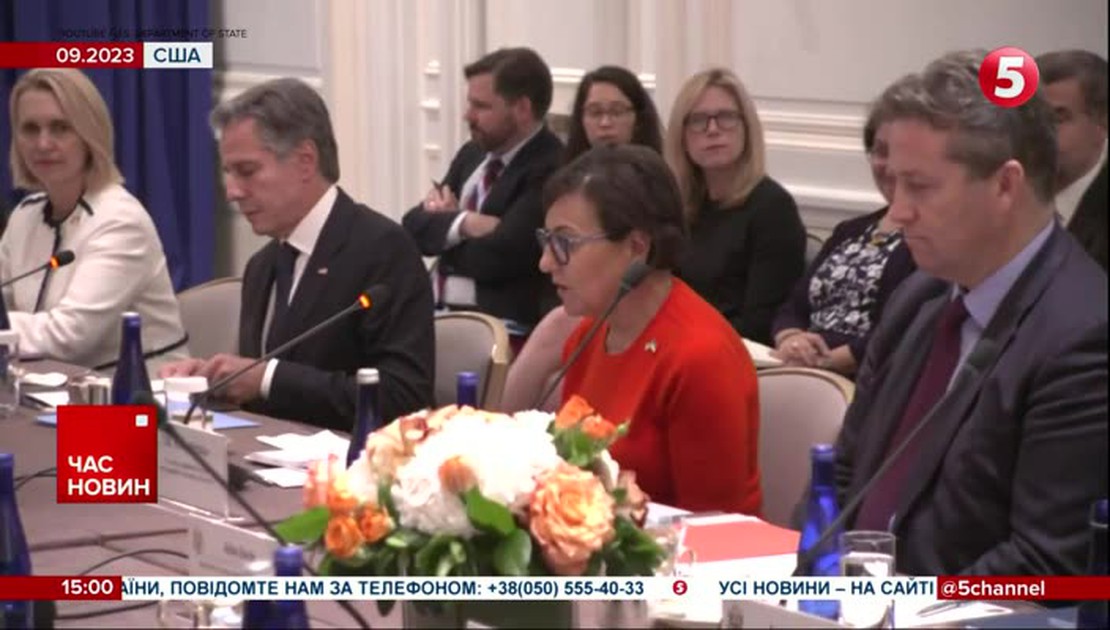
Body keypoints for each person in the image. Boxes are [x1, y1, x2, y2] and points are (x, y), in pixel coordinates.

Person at [834, 51, 1107, 576]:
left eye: (920, 186)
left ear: (1005, 185)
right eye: (894, 184)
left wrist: (886, 603)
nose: (897, 211)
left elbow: (1046, 566)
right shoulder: (918, 299)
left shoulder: (1085, 335)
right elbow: (847, 475)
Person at [159, 78, 434, 431]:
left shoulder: (383, 250)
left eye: (247, 171)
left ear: (305, 161)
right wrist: (211, 381)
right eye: (227, 173)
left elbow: (403, 399)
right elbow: (264, 394)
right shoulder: (263, 266)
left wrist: (266, 379)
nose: (232, 192)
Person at [540, 144, 761, 515]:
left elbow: (716, 525)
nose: (546, 262)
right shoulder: (587, 337)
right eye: (546, 242)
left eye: (564, 243)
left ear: (637, 246)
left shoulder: (700, 358)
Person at [1, 68, 188, 371]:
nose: (43, 143)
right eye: (30, 129)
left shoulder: (120, 221)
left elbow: (70, 336)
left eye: (60, 128)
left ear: (89, 135)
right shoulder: (25, 215)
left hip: (139, 391)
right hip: (49, 385)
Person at [502, 65, 664, 412]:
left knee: (559, 333)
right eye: (594, 112)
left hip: (632, 311)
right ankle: (494, 427)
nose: (605, 123)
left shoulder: (656, 185)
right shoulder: (566, 181)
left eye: (616, 111)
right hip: (574, 308)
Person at [402, 47, 564, 350]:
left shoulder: (552, 166)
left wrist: (446, 228)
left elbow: (503, 256)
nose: (468, 116)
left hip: (501, 331)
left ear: (522, 109)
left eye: (481, 106)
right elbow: (413, 228)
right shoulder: (473, 153)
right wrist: (468, 223)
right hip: (435, 315)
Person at [770, 105, 916, 376]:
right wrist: (791, 340)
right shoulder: (849, 230)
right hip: (801, 366)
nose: (890, 166)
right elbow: (793, 306)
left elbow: (895, 333)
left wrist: (822, 362)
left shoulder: (927, 240)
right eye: (881, 152)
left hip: (863, 377)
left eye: (900, 153)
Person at [666, 68, 806, 346]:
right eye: (698, 120)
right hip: (680, 346)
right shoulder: (682, 205)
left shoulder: (773, 208)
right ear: (682, 137)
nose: (713, 129)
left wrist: (679, 341)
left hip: (735, 353)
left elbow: (760, 324)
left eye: (726, 117)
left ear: (747, 128)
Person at [1036, 49, 1107, 271]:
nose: (1038, 133)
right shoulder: (1003, 197)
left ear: (1103, 123)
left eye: (1056, 118)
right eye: (1030, 119)